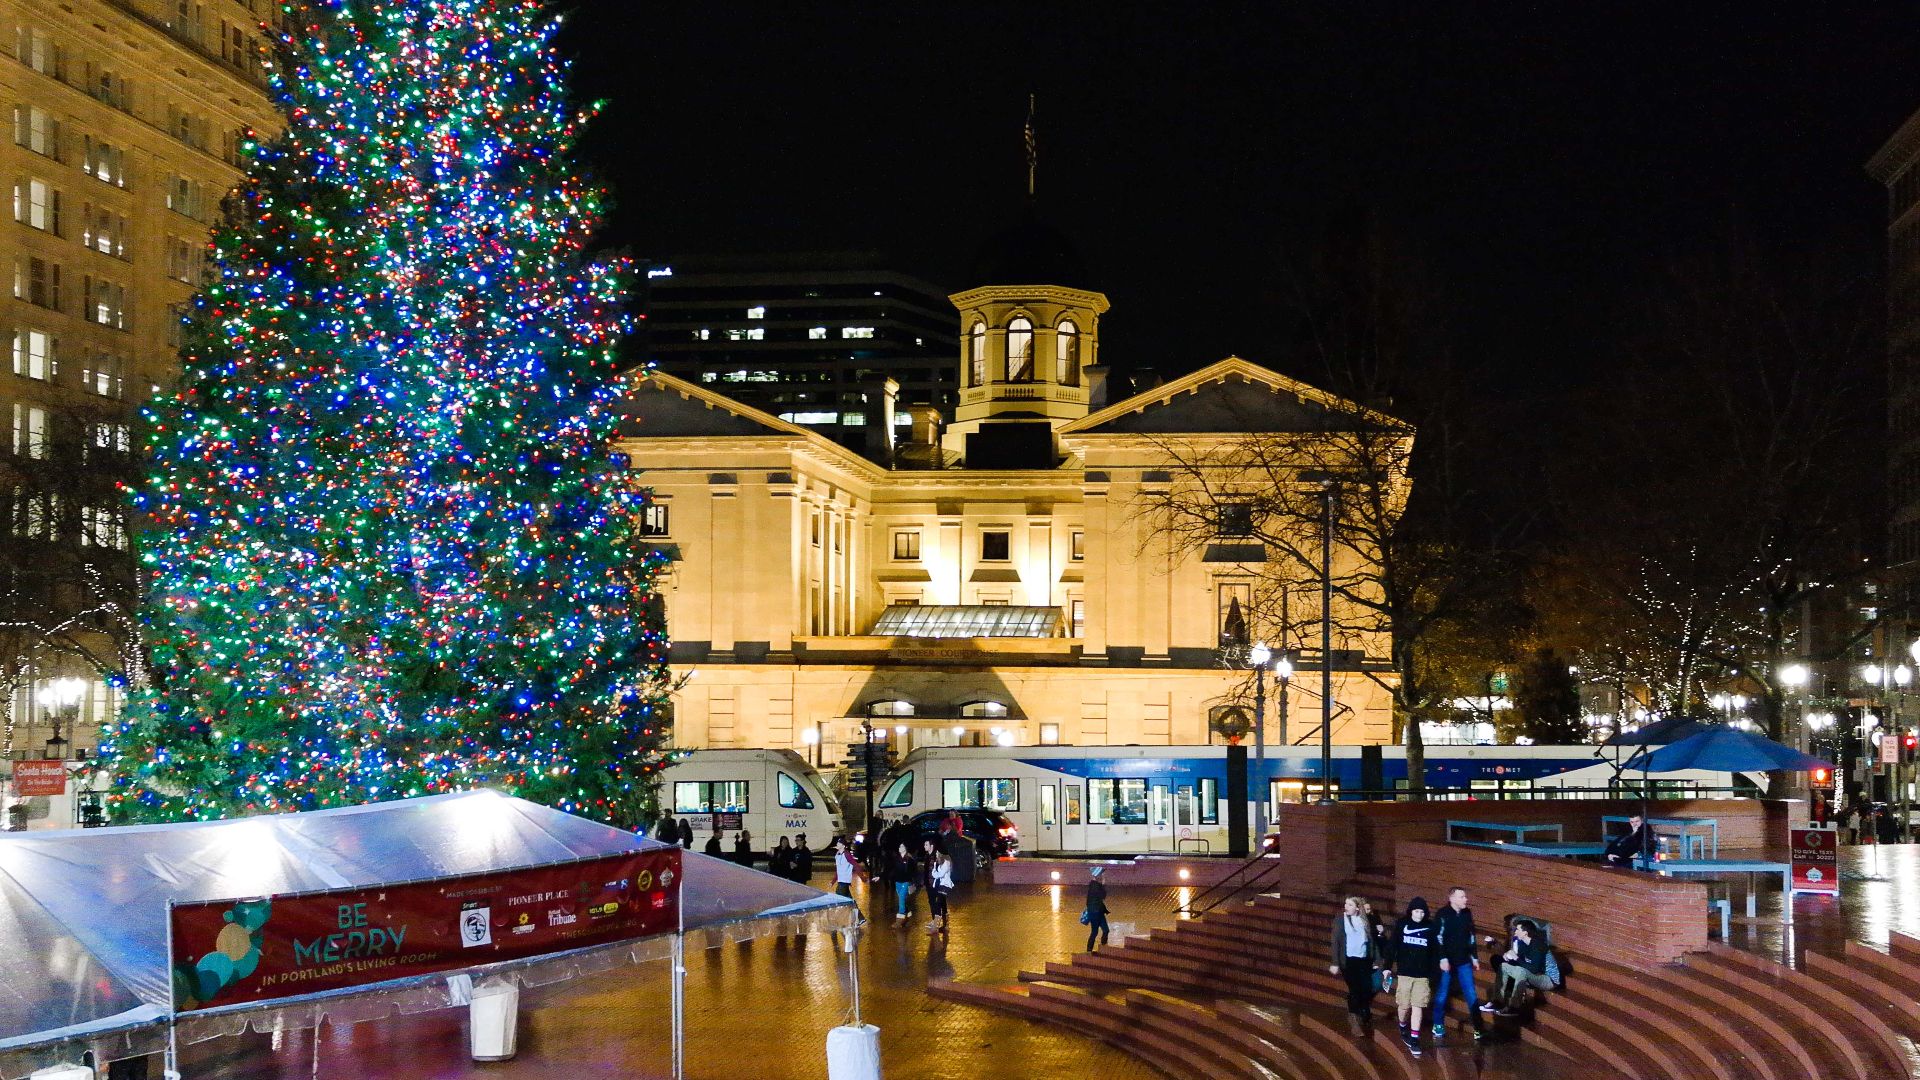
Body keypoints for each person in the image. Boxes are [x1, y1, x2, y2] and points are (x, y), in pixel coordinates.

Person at [1431, 887, 1485, 1041]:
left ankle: (1478, 1026)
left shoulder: (1467, 913)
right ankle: (1438, 1023)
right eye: (1462, 897)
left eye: (1465, 896)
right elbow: (1438, 937)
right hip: (1447, 960)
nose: (1465, 899)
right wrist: (1442, 958)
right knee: (1442, 992)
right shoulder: (1443, 914)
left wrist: (1474, 956)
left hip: (1463, 960)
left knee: (1471, 993)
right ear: (1452, 898)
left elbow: (1471, 936)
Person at [1389, 896, 1437, 1057]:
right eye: (1417, 911)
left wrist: (1433, 972)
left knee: (1418, 1006)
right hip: (1405, 974)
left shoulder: (1430, 927)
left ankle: (1415, 1039)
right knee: (1404, 1006)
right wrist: (1387, 967)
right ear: (1411, 911)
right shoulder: (1402, 924)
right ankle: (1402, 1025)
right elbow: (1392, 946)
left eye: (1422, 911)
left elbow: (1435, 952)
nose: (1419, 914)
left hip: (1422, 976)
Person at [1329, 895, 1380, 1036]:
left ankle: (1363, 1011)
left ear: (1357, 907)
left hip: (1363, 960)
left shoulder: (1364, 920)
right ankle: (1354, 1018)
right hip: (1348, 961)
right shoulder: (1340, 920)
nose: (1346, 907)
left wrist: (1376, 959)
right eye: (1346, 904)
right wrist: (1335, 962)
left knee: (1366, 987)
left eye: (1350, 905)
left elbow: (1371, 941)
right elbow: (1335, 942)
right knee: (1354, 989)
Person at [1488, 919, 1556, 1015]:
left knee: (1520, 971)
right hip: (1534, 974)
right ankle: (1498, 1001)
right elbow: (1521, 962)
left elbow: (1534, 969)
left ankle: (1514, 1007)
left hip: (1548, 979)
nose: (1515, 931)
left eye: (1518, 929)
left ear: (1525, 932)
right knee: (1504, 966)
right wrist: (1509, 957)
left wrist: (1515, 958)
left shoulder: (1538, 945)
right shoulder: (1523, 944)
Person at [889, 841, 919, 920]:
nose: (900, 848)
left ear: (905, 848)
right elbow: (890, 869)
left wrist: (913, 880)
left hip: (906, 882)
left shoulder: (910, 859)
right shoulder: (896, 859)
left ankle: (900, 917)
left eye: (902, 846)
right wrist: (880, 876)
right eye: (899, 847)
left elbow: (914, 871)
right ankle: (907, 911)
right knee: (901, 898)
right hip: (897, 882)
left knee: (901, 897)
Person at [927, 849, 954, 933]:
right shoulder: (939, 863)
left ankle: (935, 926)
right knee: (943, 904)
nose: (936, 855)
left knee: (938, 903)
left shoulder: (946, 862)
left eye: (937, 853)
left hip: (945, 886)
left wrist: (935, 871)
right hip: (941, 885)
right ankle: (946, 926)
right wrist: (935, 868)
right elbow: (935, 875)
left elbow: (939, 874)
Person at [1084, 866, 1111, 951]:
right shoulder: (1095, 886)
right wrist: (1103, 884)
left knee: (1104, 930)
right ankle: (1090, 950)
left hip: (1098, 912)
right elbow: (1103, 896)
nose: (1103, 875)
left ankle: (1101, 947)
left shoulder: (1094, 885)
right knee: (1096, 932)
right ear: (1097, 875)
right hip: (1095, 913)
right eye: (1102, 874)